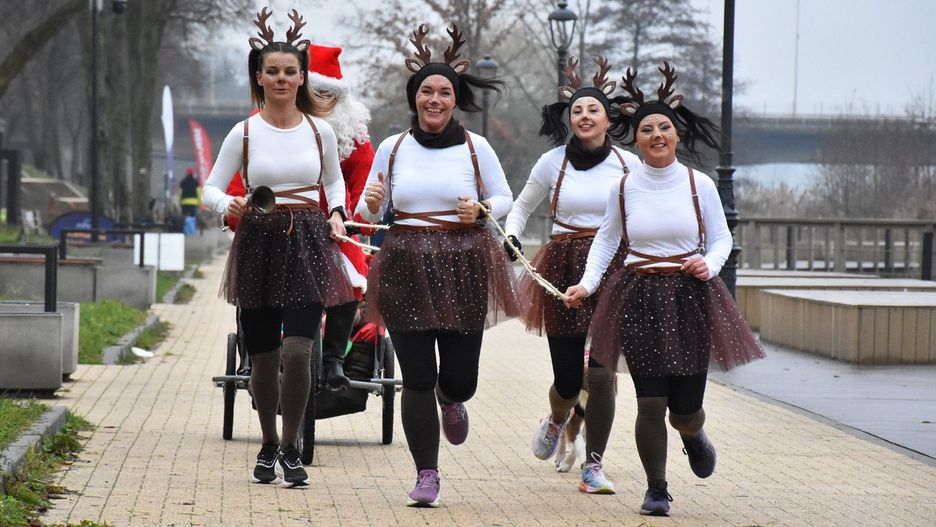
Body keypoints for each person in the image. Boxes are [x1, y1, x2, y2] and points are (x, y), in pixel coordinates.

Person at [564, 62, 765, 515]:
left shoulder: (700, 185)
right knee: (649, 401)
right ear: (635, 138)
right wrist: (586, 283)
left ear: (676, 135)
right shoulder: (623, 187)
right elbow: (606, 240)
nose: (656, 135)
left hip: (690, 296)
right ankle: (657, 488)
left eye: (664, 128)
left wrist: (709, 263)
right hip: (637, 296)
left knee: (683, 408)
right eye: (647, 129)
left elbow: (721, 238)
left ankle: (693, 435)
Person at [355, 23, 520, 508]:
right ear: (414, 97)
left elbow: (504, 196)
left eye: (444, 91)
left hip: (465, 263)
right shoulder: (392, 148)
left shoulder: (476, 148)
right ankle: (427, 473)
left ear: (455, 99)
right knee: (417, 376)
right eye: (426, 90)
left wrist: (483, 210)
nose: (434, 98)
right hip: (405, 263)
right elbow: (369, 211)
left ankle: (454, 399)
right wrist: (370, 202)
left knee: (459, 377)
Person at [201, 8, 354, 488]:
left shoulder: (320, 131)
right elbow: (209, 188)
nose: (282, 78)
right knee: (264, 355)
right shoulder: (243, 132)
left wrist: (336, 213)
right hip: (259, 242)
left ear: (303, 77)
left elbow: (333, 181)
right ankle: (267, 443)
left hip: (308, 241)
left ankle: (292, 447)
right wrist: (231, 201)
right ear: (259, 77)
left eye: (291, 71)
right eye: (273, 71)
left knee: (298, 350)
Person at [503, 56, 640, 492]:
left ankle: (594, 465)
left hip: (613, 269)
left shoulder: (629, 165)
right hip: (561, 268)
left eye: (592, 109)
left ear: (608, 119)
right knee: (566, 378)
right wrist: (511, 235)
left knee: (602, 375)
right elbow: (521, 207)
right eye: (577, 110)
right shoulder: (551, 163)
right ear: (569, 119)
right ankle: (558, 417)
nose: (584, 116)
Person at [307, 43, 376, 390]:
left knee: (352, 278)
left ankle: (333, 358)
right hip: (284, 221)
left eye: (329, 94)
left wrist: (360, 217)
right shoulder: (273, 124)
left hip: (338, 225)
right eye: (316, 93)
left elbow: (365, 178)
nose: (322, 101)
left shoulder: (354, 136)